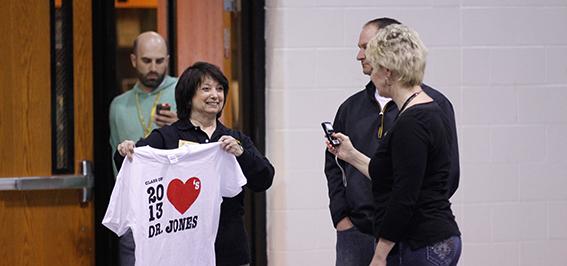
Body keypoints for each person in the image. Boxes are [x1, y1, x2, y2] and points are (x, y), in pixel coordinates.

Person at [324, 17, 460, 266]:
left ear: (387, 71)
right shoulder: (414, 112)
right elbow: (385, 172)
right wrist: (351, 154)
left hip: (418, 238)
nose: (368, 69)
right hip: (403, 233)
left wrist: (380, 253)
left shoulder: (416, 118)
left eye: (374, 64)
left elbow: (404, 194)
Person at [115, 61, 275, 266]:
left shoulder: (233, 139)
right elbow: (132, 164)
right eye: (206, 89)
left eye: (219, 89)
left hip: (228, 249)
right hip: (181, 251)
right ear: (188, 97)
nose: (215, 95)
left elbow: (265, 178)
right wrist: (125, 151)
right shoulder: (168, 137)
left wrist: (240, 153)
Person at [108, 31, 178, 266]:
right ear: (134, 60)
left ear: (167, 60)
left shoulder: (185, 92)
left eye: (160, 61)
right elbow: (116, 161)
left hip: (176, 205)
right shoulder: (119, 105)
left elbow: (208, 138)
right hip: (135, 210)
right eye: (147, 60)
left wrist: (180, 125)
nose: (154, 68)